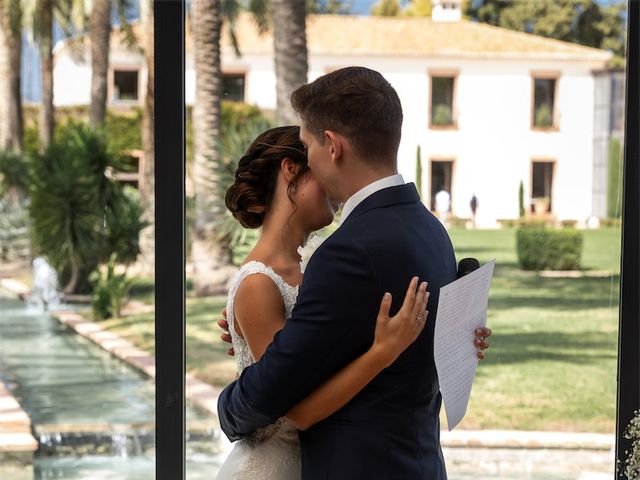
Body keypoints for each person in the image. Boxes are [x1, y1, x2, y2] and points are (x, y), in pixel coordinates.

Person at [217, 67, 491, 480]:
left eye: (308, 145)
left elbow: (275, 392)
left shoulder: (346, 252)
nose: (307, 157)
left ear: (332, 146)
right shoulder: (432, 230)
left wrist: (228, 406)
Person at [217, 125, 433, 479]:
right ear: (291, 170)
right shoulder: (258, 284)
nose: (335, 188)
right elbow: (297, 409)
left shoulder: (324, 265)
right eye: (322, 172)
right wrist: (381, 352)